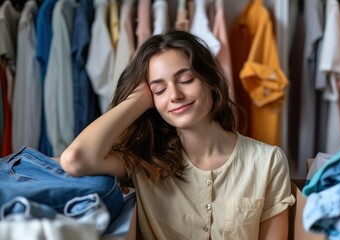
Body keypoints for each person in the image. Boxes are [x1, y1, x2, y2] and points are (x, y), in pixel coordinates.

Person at [60, 30, 295, 239]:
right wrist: (137, 100)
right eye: (159, 90)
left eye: (185, 80)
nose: (174, 95)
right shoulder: (145, 160)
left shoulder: (268, 161)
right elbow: (75, 160)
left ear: (210, 80)